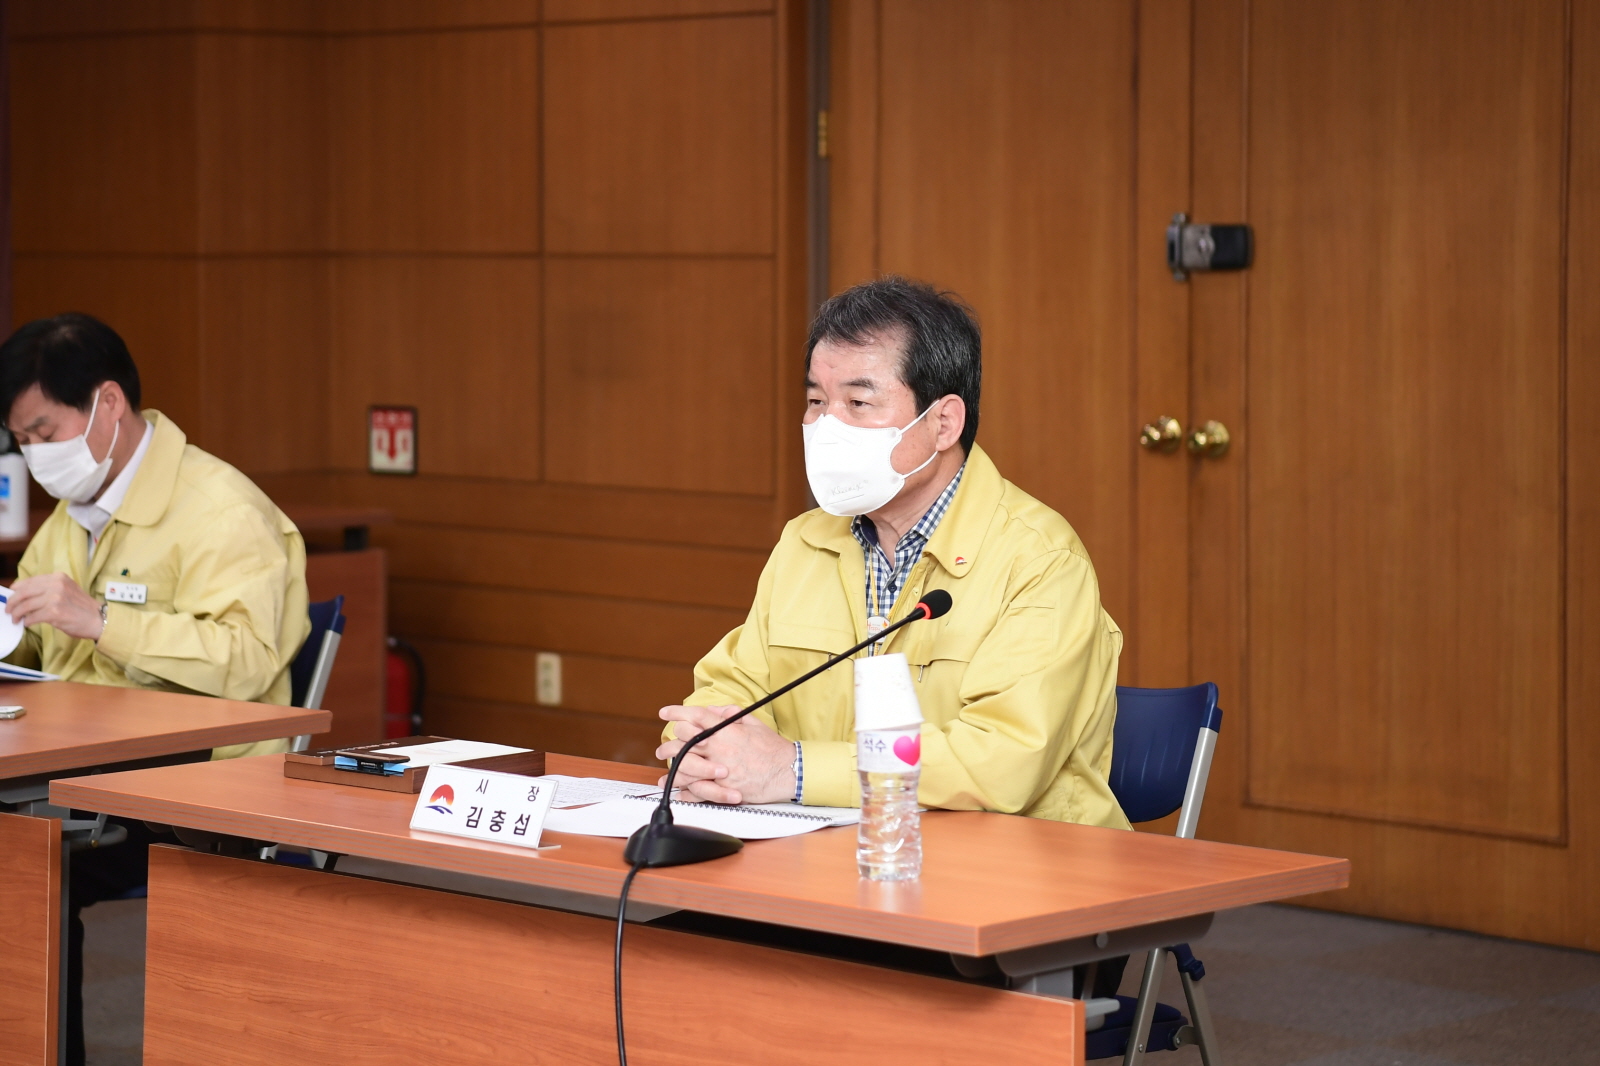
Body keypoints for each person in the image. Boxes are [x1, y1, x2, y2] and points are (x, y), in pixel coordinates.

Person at [655, 277, 1130, 831]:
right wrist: (709, 747)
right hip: (831, 849)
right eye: (816, 401)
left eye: (858, 403)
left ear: (943, 423)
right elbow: (729, 690)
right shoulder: (805, 542)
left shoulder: (1041, 560)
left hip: (1019, 861)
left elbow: (1003, 760)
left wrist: (797, 770)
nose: (827, 426)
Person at [0, 312, 309, 1066]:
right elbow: (37, 634)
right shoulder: (77, 513)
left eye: (44, 432)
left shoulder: (222, 510)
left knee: (22, 869)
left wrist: (103, 620)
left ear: (107, 404)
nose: (36, 456)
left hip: (194, 789)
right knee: (17, 856)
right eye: (22, 441)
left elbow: (250, 657)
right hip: (82, 769)